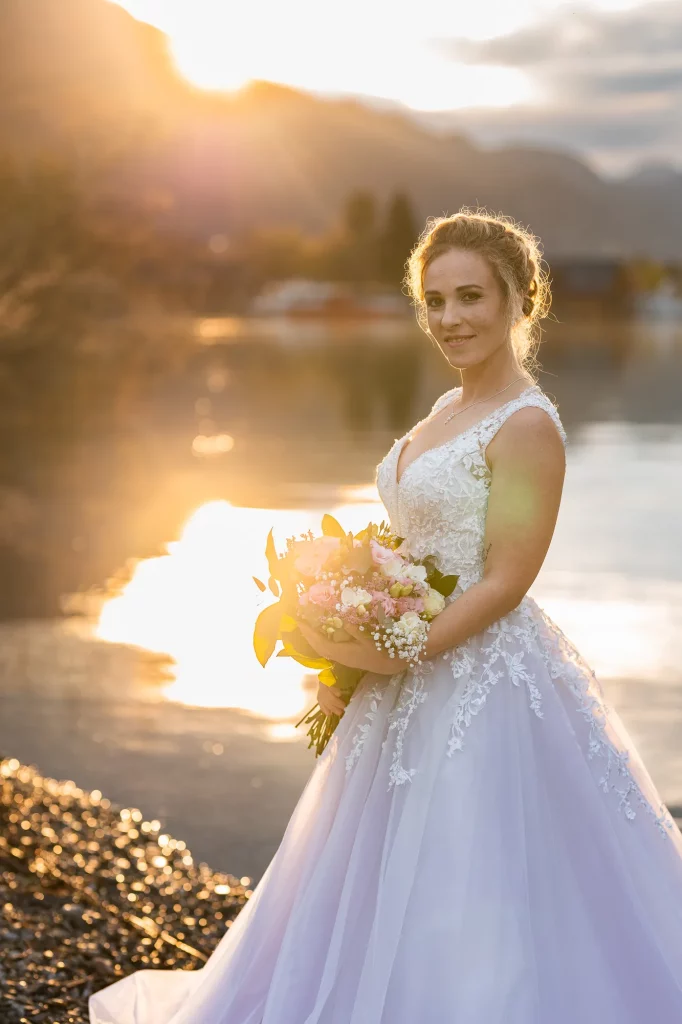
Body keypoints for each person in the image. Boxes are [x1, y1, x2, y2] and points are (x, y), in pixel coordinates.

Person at [89, 210, 682, 1023]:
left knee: (471, 864)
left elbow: (506, 579)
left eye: (471, 297)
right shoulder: (446, 407)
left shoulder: (528, 428)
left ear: (521, 298)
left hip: (480, 677)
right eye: (434, 301)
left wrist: (399, 650)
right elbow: (413, 544)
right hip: (403, 667)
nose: (450, 320)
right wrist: (346, 616)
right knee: (367, 863)